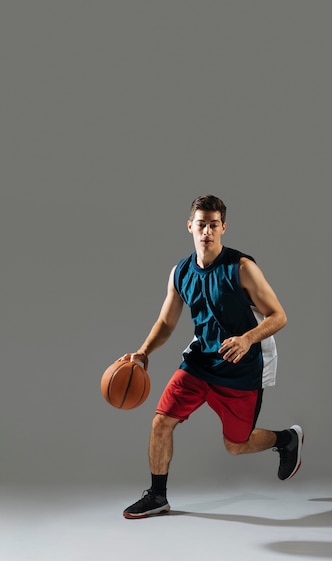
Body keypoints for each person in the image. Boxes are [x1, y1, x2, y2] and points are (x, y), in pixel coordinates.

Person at [120, 195, 303, 519]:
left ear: (223, 228)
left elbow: (278, 316)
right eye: (201, 224)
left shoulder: (242, 268)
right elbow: (166, 322)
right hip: (200, 362)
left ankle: (287, 439)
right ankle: (157, 495)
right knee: (161, 422)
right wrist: (143, 352)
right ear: (190, 226)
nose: (207, 231)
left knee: (236, 445)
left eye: (213, 225)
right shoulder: (181, 272)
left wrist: (247, 339)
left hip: (240, 367)